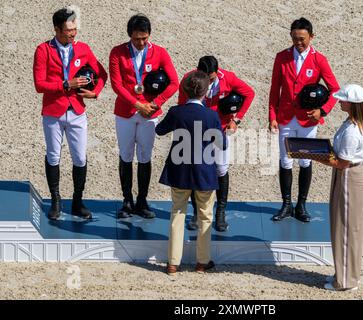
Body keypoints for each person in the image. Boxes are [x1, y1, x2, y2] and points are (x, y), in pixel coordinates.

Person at [33, 8, 107, 220]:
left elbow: (102, 74)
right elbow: (39, 84)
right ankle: (56, 200)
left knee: (80, 157)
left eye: (75, 29)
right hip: (53, 111)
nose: (73, 34)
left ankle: (77, 201)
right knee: (54, 155)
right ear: (57, 29)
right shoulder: (43, 50)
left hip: (76, 110)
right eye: (68, 30)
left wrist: (95, 92)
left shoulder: (83, 48)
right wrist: (66, 84)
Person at [269, 17, 340, 222]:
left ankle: (301, 205)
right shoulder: (282, 57)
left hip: (308, 120)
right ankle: (286, 204)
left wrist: (323, 110)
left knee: (305, 160)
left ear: (311, 36)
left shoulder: (319, 60)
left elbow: (335, 89)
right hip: (285, 118)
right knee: (285, 161)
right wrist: (272, 116)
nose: (298, 43)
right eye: (294, 38)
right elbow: (275, 89)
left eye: (302, 39)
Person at [156, 71, 227, 275]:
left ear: (185, 90)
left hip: (180, 171)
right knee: (205, 216)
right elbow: (222, 144)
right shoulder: (212, 115)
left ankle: (172, 263)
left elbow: (159, 130)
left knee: (177, 214)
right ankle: (202, 262)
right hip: (204, 171)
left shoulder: (176, 112)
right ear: (206, 92)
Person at [109, 14, 179, 219]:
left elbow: (174, 83)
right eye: (137, 38)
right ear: (130, 35)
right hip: (126, 111)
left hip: (149, 113)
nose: (141, 42)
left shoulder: (160, 53)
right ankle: (127, 200)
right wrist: (136, 103)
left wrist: (156, 103)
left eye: (145, 38)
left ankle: (142, 200)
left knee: (145, 155)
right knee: (126, 155)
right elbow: (117, 84)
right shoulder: (118, 52)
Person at [178, 56, 255, 232]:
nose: (209, 81)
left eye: (211, 78)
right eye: (206, 78)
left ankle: (220, 212)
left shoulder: (228, 77)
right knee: (196, 169)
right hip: (197, 130)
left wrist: (237, 119)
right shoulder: (189, 80)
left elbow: (250, 93)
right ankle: (197, 212)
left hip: (220, 130)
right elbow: (182, 104)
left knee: (221, 169)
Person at [315, 84, 363, 291]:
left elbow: (342, 162)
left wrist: (315, 156)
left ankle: (346, 281)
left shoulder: (352, 131)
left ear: (351, 103)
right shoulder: (353, 122)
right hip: (347, 176)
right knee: (345, 226)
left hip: (348, 176)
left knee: (346, 228)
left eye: (343, 99)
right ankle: (345, 273)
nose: (339, 101)